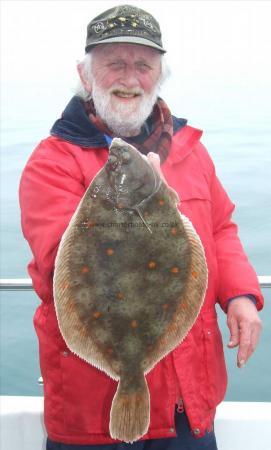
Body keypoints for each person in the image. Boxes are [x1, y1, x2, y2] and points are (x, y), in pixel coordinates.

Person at [19, 4, 264, 450]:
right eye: (114, 63)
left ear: (160, 75)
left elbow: (221, 228)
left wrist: (241, 295)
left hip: (189, 405)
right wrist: (143, 206)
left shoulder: (191, 150)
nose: (129, 78)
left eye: (143, 65)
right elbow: (59, 264)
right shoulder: (52, 161)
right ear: (85, 73)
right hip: (91, 412)